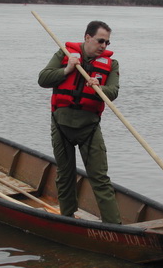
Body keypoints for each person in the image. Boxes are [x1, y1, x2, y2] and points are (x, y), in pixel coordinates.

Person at [38, 21, 121, 224]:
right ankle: (67, 219)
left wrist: (99, 88)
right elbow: (43, 79)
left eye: (107, 43)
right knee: (65, 175)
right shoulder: (64, 54)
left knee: (100, 178)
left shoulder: (112, 64)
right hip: (61, 126)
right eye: (100, 40)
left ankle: (114, 225)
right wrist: (66, 70)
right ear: (87, 38)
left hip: (89, 129)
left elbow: (113, 92)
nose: (104, 46)